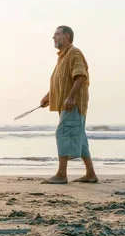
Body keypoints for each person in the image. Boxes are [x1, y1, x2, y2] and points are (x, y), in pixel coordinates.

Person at [39, 25, 98, 184]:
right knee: (79, 137)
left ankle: (61, 174)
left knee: (63, 133)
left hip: (73, 104)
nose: (54, 37)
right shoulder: (62, 57)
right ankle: (91, 174)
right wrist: (49, 96)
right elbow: (61, 82)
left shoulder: (74, 53)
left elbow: (81, 76)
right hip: (68, 104)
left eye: (57, 34)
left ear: (67, 37)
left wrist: (71, 98)